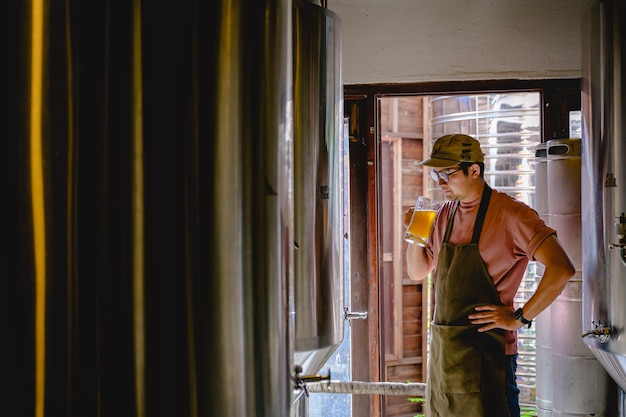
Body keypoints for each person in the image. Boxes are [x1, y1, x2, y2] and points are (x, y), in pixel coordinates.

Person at [405, 134, 575, 417]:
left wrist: (519, 318)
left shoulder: (512, 214)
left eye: (447, 173)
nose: (440, 183)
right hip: (445, 358)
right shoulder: (443, 214)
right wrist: (415, 236)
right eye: (437, 174)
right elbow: (417, 271)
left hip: (490, 356)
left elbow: (562, 269)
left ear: (474, 170)